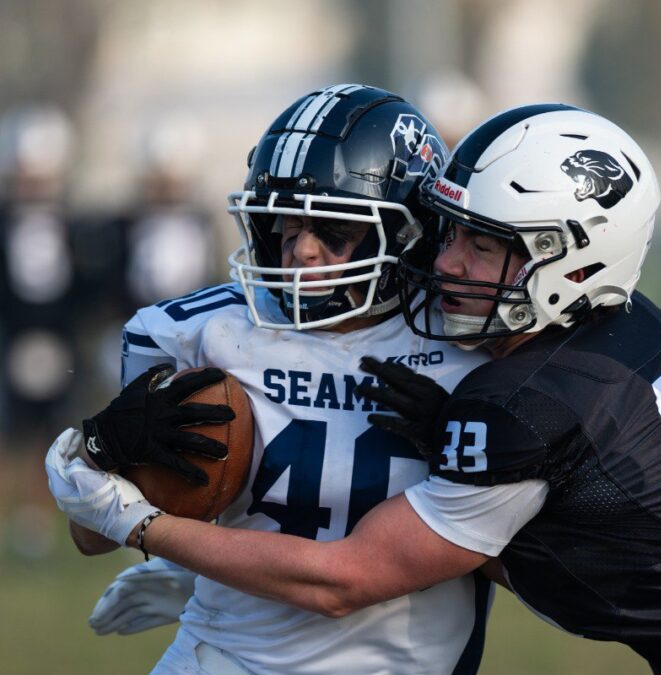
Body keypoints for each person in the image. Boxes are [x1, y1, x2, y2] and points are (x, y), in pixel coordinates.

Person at [48, 103, 661, 674]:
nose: (446, 262)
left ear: (568, 259)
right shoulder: (617, 327)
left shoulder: (514, 393)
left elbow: (346, 577)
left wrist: (152, 529)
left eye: (481, 244)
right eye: (451, 233)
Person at [51, 84, 492, 674]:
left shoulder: (473, 345)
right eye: (282, 226)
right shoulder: (199, 333)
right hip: (222, 654)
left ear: (411, 231)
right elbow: (91, 538)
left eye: (333, 229)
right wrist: (113, 458)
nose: (300, 252)